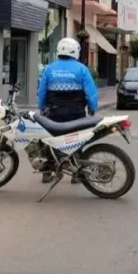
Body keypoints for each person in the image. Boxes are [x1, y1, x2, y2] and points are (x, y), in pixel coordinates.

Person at [36, 37, 99, 184]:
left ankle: (47, 172)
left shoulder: (49, 69)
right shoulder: (82, 69)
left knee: (49, 140)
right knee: (76, 141)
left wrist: (42, 107)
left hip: (54, 113)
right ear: (75, 51)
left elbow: (42, 91)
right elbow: (91, 92)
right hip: (76, 113)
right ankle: (76, 173)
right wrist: (92, 109)